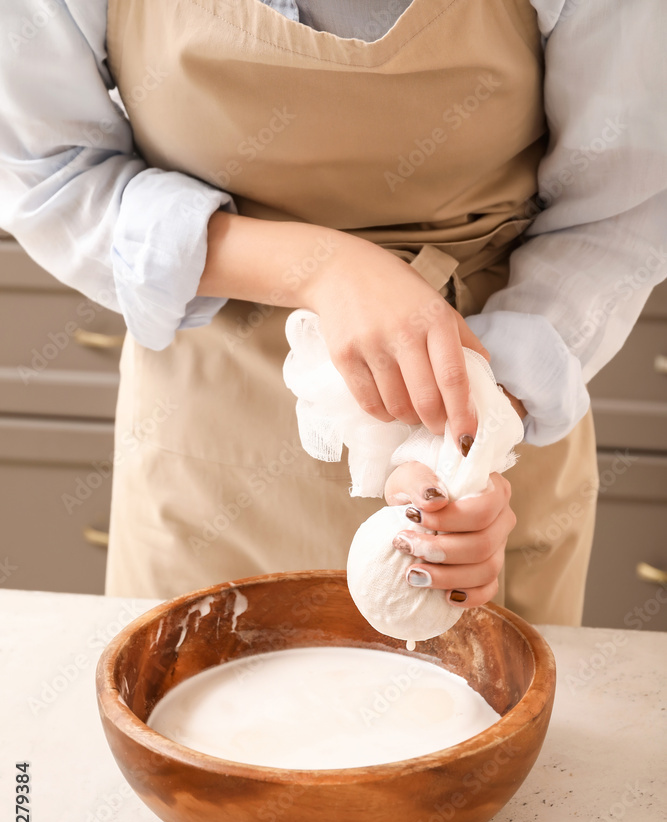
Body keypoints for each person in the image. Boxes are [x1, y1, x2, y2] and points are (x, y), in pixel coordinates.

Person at [0, 0, 665, 624]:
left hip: (487, 408)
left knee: (472, 727)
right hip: (207, 440)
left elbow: (619, 205)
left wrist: (465, 445)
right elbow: (52, 174)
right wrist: (323, 268)